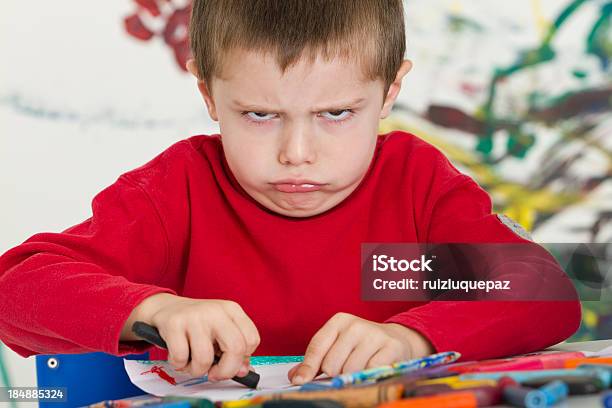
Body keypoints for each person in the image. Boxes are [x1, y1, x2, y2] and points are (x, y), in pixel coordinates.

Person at [0, 0, 580, 386]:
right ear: (207, 94)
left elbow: (541, 295)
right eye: (258, 113)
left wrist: (411, 337)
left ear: (390, 91)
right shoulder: (177, 190)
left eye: (336, 113)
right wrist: (153, 308)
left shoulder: (414, 185)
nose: (296, 152)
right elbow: (15, 289)